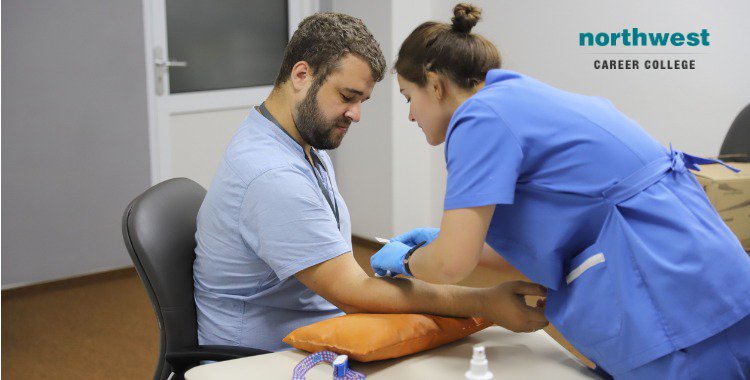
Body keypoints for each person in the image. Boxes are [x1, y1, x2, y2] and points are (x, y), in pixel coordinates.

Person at [370, 3, 750, 379]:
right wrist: (447, 242)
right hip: (705, 279)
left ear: (435, 84)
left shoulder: (477, 118)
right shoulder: (516, 99)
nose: (410, 115)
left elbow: (451, 265)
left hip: (676, 303)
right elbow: (545, 239)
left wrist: (409, 261)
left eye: (408, 97)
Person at [193, 12, 548, 352]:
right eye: (347, 97)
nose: (356, 114)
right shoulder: (271, 175)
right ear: (301, 75)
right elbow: (351, 292)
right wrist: (485, 301)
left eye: (362, 101)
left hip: (316, 324)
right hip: (263, 356)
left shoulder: (292, 141)